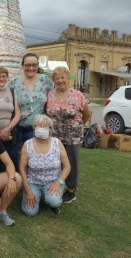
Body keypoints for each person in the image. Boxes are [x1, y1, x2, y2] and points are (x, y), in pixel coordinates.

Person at [46, 66, 90, 203]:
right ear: (54, 80)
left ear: (68, 78)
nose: (60, 80)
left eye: (62, 77)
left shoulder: (77, 95)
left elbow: (86, 114)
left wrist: (76, 126)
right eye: (57, 78)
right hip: (54, 135)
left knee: (72, 162)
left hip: (72, 135)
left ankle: (71, 190)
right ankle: (56, 186)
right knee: (55, 162)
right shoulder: (50, 94)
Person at [19, 114, 71, 216]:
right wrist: (28, 190)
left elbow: (67, 166)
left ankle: (51, 203)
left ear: (50, 129)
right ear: (34, 128)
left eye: (45, 126)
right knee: (30, 212)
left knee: (54, 201)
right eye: (39, 126)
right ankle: (30, 196)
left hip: (53, 181)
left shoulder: (57, 143)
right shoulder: (27, 144)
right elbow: (22, 168)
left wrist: (58, 182)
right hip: (33, 181)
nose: (42, 128)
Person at [8, 53, 53, 160]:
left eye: (34, 65)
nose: (31, 68)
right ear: (22, 66)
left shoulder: (44, 80)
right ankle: (16, 176)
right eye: (27, 65)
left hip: (36, 127)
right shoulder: (14, 83)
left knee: (34, 156)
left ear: (38, 66)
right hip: (17, 127)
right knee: (13, 156)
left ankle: (31, 177)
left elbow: (53, 96)